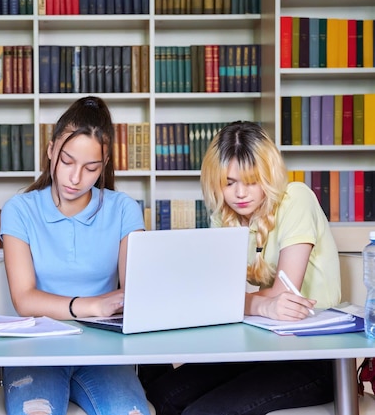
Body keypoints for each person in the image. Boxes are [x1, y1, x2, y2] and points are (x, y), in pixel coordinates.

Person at [144, 120, 341, 415]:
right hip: (261, 346)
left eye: (251, 180)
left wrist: (243, 304)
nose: (240, 194)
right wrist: (250, 305)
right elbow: (219, 298)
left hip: (314, 355)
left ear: (269, 174)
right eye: (229, 182)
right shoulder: (225, 216)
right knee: (164, 393)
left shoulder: (296, 198)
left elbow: (282, 299)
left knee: (202, 411)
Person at [0, 96, 152, 415]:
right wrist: (93, 305)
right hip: (37, 350)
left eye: (90, 168)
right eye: (67, 161)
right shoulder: (20, 209)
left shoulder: (123, 209)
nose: (75, 178)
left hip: (104, 354)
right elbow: (24, 300)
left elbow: (137, 292)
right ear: (51, 149)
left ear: (105, 163)